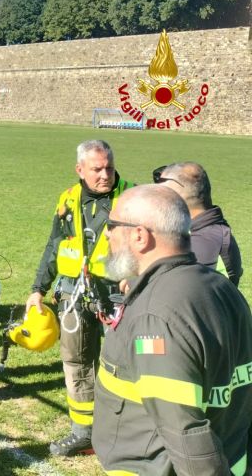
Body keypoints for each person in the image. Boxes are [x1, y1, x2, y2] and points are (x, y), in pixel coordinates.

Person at [92, 184, 252, 475]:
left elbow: (185, 432)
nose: (106, 234)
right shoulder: (221, 288)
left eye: (112, 225)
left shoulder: (155, 316)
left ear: (139, 236)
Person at [25, 140, 133, 456]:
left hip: (117, 299)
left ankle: (125, 434)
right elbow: (53, 246)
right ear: (80, 169)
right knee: (76, 363)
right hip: (73, 295)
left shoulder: (132, 199)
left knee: (122, 365)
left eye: (109, 168)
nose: (104, 175)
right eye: (96, 169)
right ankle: (83, 432)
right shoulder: (68, 199)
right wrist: (37, 289)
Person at [154, 162, 243, 286]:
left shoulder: (207, 241)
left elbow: (182, 291)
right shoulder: (195, 230)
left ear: (177, 197)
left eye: (162, 192)